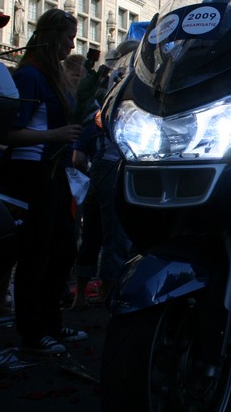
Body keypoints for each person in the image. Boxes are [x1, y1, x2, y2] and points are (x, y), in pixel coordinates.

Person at [0, 8, 84, 355]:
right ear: (52, 37)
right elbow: (7, 133)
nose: (72, 46)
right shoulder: (30, 76)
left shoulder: (50, 75)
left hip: (54, 172)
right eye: (68, 38)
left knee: (64, 249)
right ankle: (32, 332)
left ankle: (51, 322)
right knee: (36, 253)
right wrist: (54, 135)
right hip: (32, 173)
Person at [69, 40, 138, 310]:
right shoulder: (128, 82)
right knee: (114, 234)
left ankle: (81, 295)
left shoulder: (109, 82)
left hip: (100, 163)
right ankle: (109, 293)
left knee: (92, 234)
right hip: (115, 164)